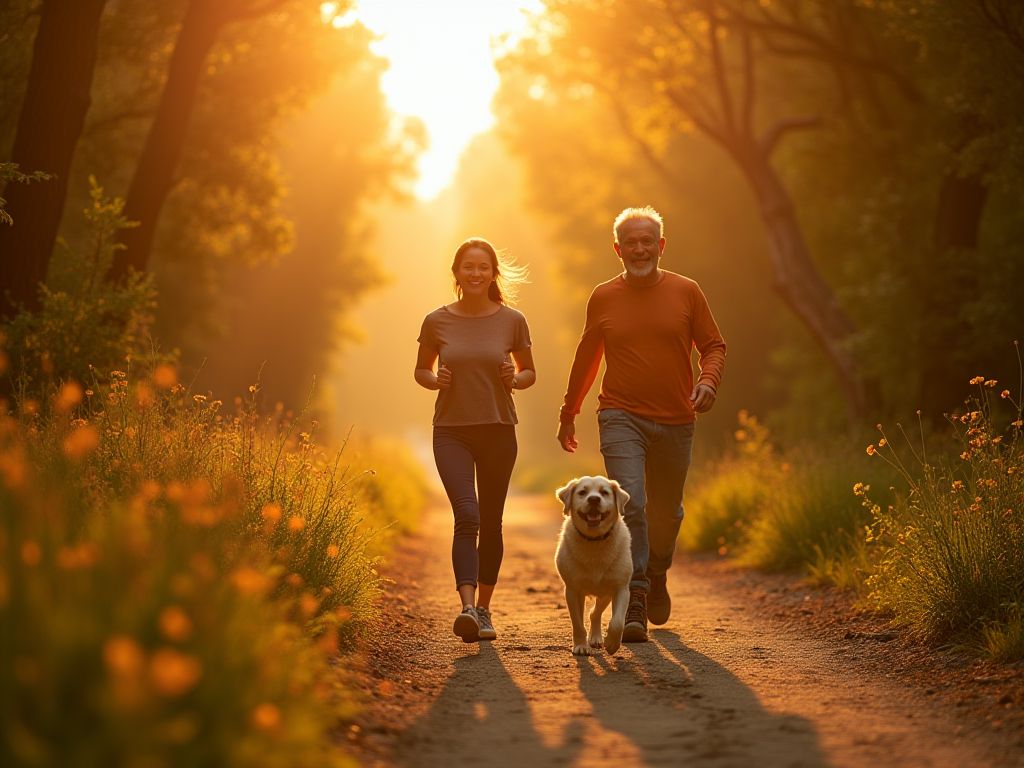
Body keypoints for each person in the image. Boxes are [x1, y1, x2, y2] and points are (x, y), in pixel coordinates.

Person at [556, 206, 726, 643]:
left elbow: (713, 345)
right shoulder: (604, 296)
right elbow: (587, 356)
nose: (639, 248)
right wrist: (569, 411)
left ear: (661, 245)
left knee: (666, 512)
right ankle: (636, 594)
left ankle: (657, 571)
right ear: (617, 249)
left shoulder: (687, 291)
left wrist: (707, 382)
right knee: (629, 502)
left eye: (647, 240)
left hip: (676, 418)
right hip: (619, 414)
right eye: (630, 242)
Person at [415, 237, 536, 643]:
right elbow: (422, 371)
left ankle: (484, 609)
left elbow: (528, 373)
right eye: (469, 266)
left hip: (499, 430)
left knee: (491, 521)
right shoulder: (437, 321)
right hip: (451, 431)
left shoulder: (512, 320)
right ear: (457, 273)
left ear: (493, 273)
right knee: (467, 514)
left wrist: (513, 379)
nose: (476, 273)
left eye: (483, 267)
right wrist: (435, 380)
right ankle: (466, 608)